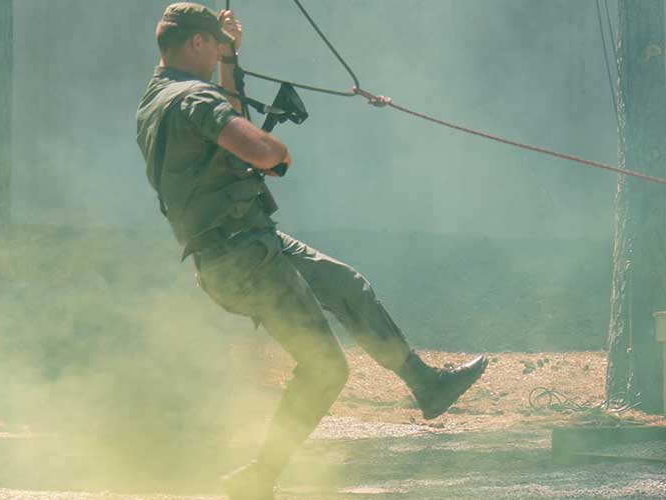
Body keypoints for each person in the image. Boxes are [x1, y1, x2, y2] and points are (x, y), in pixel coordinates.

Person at [134, 4, 489, 499]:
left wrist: (232, 57)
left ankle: (426, 385)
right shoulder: (194, 99)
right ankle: (260, 477)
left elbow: (227, 115)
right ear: (196, 44)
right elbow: (258, 149)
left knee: (347, 286)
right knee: (325, 368)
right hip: (242, 257)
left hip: (249, 244)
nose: (219, 53)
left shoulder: (160, 96)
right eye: (214, 45)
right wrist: (278, 153)